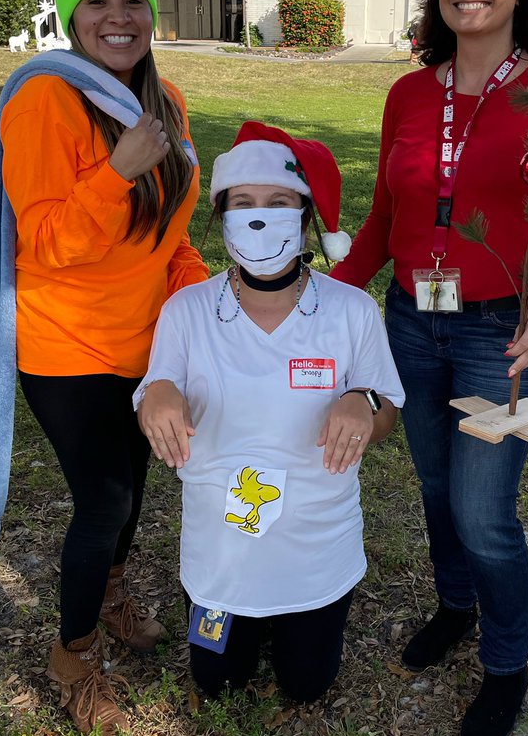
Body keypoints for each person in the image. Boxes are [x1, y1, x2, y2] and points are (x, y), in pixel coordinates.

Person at [332, 0, 528, 736]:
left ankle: (505, 663)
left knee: (483, 509)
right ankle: (455, 607)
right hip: (412, 323)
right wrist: (322, 298)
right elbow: (384, 220)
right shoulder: (409, 94)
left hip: (503, 333)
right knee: (432, 486)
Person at [0, 0, 207, 736]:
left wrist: (203, 298)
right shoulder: (42, 99)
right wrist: (118, 170)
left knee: (134, 491)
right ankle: (74, 657)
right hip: (66, 348)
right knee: (104, 500)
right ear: (71, 16)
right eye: (96, 1)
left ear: (154, 12)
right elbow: (48, 241)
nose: (118, 16)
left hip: (146, 343)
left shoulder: (166, 104)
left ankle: (111, 592)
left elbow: (171, 237)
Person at [135, 123, 405, 703]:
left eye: (279, 203)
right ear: (221, 215)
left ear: (305, 216)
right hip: (220, 549)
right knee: (217, 682)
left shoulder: (351, 311)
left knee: (306, 684)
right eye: (244, 203)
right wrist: (156, 392)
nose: (260, 217)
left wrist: (363, 402)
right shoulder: (186, 310)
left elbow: (384, 410)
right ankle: (230, 618)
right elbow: (154, 397)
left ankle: (304, 619)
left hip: (316, 543)